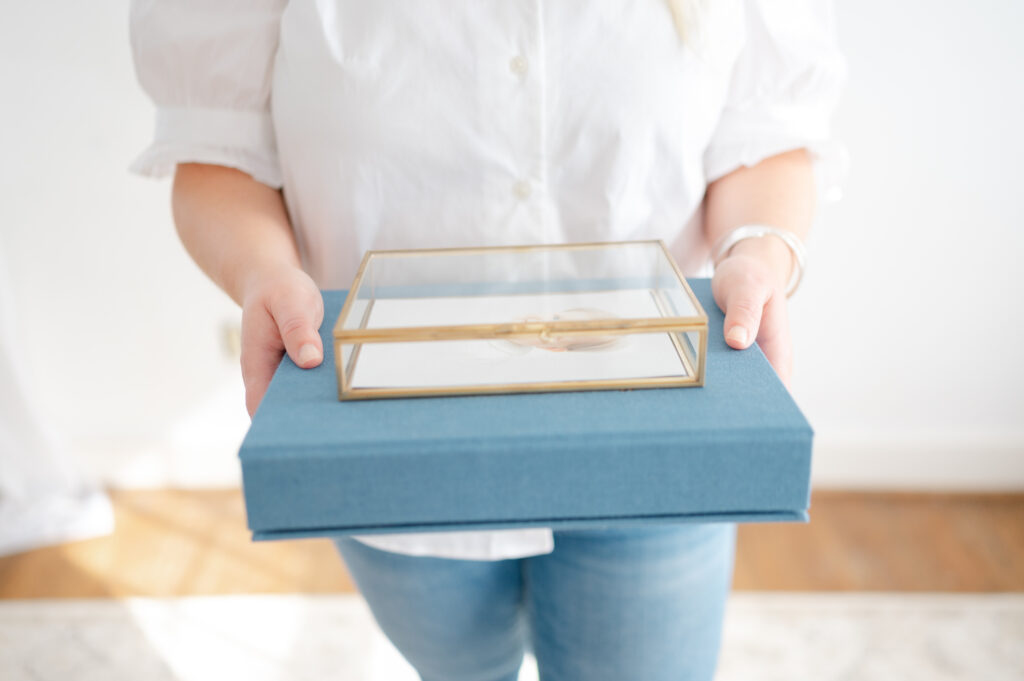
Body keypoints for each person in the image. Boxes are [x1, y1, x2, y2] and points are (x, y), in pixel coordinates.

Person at [130, 1, 844, 679]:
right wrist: (264, 273)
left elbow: (766, 132)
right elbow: (214, 145)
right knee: (459, 666)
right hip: (392, 444)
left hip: (657, 430)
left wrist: (758, 253)